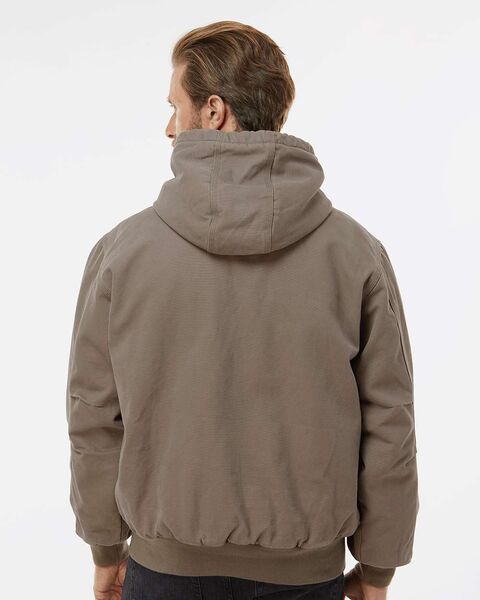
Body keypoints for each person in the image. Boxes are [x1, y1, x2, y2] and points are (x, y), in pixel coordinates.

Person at [65, 20, 419, 600]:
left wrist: (105, 549)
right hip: (306, 577)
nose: (168, 127)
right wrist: (378, 568)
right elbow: (389, 421)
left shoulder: (122, 253)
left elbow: (93, 415)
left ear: (213, 111)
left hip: (164, 573)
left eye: (174, 107)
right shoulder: (356, 254)